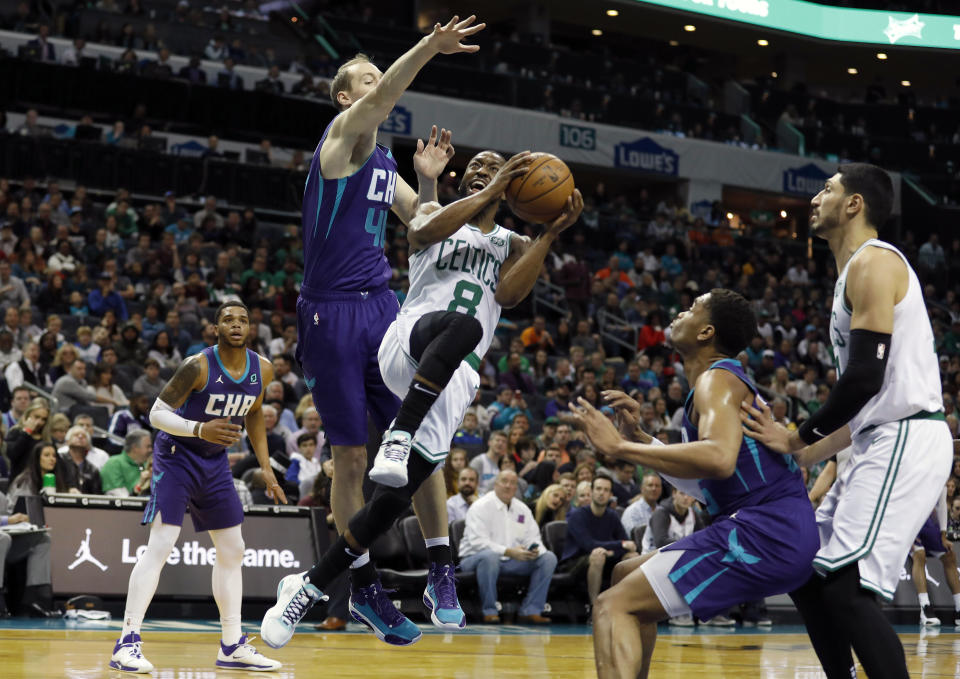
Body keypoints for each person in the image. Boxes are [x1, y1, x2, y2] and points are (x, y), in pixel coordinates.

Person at [261, 144, 582, 646]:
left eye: (494, 170)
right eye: (474, 168)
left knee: (387, 506)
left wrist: (550, 232)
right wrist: (490, 188)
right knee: (460, 325)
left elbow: (509, 296)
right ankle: (400, 435)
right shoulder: (438, 213)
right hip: (404, 343)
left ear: (516, 190)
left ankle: (307, 586)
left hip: (451, 379)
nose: (480, 171)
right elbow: (420, 231)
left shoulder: (514, 243)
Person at [287, 16, 483, 647]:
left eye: (379, 78)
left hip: (382, 309)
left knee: (417, 434)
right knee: (351, 457)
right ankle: (363, 585)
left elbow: (422, 224)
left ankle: (440, 568)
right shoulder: (341, 139)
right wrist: (429, 46)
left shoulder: (381, 160)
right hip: (328, 314)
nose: (378, 89)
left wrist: (429, 181)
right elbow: (384, 98)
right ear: (347, 98)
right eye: (368, 82)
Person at [742, 164, 952, 679]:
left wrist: (795, 435)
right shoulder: (850, 273)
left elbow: (862, 380)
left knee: (846, 589)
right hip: (877, 437)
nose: (816, 198)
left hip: (906, 436)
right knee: (804, 569)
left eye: (827, 189)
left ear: (854, 204)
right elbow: (859, 407)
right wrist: (796, 454)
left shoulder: (874, 263)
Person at [571, 289, 818, 679]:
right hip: (773, 527)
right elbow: (710, 482)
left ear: (706, 332)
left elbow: (717, 459)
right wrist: (638, 437)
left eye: (690, 309)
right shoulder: (719, 382)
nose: (678, 313)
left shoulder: (715, 380)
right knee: (624, 575)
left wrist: (619, 447)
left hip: (765, 532)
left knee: (611, 605)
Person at [108, 301, 283, 673]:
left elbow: (253, 412)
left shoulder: (262, 370)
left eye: (243, 319)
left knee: (234, 548)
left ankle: (232, 645)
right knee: (161, 543)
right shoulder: (197, 365)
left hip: (214, 460)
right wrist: (200, 429)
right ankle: (126, 642)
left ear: (251, 328)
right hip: (177, 454)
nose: (236, 325)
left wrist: (265, 466)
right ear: (214, 328)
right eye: (228, 320)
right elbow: (156, 413)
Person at [457, 471, 558, 623]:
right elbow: (478, 542)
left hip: (511, 561)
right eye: (504, 481)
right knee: (490, 557)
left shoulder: (522, 509)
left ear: (516, 487)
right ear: (496, 484)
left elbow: (533, 536)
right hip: (473, 559)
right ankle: (489, 611)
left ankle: (530, 610)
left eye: (513, 483)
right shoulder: (480, 506)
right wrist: (509, 552)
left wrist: (533, 549)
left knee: (548, 558)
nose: (508, 486)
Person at [559, 475, 638, 608]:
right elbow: (588, 545)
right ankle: (594, 607)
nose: (602, 493)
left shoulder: (612, 515)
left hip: (604, 557)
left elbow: (628, 544)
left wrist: (613, 551)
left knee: (632, 557)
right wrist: (618, 546)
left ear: (611, 494)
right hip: (575, 561)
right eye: (598, 489)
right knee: (597, 555)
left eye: (606, 490)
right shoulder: (577, 516)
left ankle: (624, 605)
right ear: (592, 491)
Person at [0, 489, 55, 617]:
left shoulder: (1, 496)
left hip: (6, 544)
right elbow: (7, 520)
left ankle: (35, 599)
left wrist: (22, 520)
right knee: (2, 538)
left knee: (43, 538)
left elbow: (11, 515)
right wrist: (6, 521)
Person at [911, 492, 960, 627]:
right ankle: (925, 608)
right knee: (919, 554)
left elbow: (942, 506)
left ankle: (959, 608)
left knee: (949, 555)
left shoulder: (940, 473)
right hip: (906, 521)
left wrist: (943, 535)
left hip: (926, 523)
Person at [9, 441, 75, 499]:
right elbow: (18, 505)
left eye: (54, 456)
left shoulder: (59, 479)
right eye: (47, 455)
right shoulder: (24, 480)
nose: (52, 459)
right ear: (37, 459)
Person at [5, 399, 51, 480]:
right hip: (19, 483)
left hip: (41, 483)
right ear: (28, 415)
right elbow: (12, 454)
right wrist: (26, 432)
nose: (39, 422)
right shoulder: (15, 432)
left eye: (43, 419)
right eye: (36, 417)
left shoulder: (47, 439)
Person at [99, 430, 152, 497]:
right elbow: (120, 498)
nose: (151, 450)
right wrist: (140, 485)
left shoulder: (149, 464)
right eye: (148, 447)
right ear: (135, 448)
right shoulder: (114, 464)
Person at [619, 471, 662, 536]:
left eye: (657, 486)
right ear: (642, 488)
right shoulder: (632, 511)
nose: (654, 489)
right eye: (650, 485)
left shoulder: (662, 511)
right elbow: (633, 538)